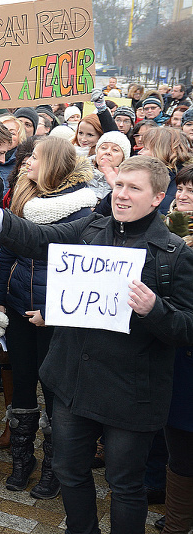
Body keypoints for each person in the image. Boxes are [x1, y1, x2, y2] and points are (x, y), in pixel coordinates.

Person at [0, 156, 193, 534]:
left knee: (124, 485)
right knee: (69, 470)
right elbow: (40, 240)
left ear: (158, 198)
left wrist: (154, 310)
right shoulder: (92, 227)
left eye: (134, 189)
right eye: (119, 185)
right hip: (74, 382)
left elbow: (187, 327)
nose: (122, 195)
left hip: (132, 392)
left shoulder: (174, 255)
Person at [0, 136, 97, 499]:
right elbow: (8, 253)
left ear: (52, 163)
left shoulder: (84, 210)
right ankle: (23, 460)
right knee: (22, 384)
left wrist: (54, 312)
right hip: (20, 308)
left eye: (34, 157)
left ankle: (54, 467)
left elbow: (84, 274)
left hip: (57, 318)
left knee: (54, 392)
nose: (26, 162)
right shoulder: (24, 198)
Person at [162, 165, 193, 533]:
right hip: (177, 360)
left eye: (191, 191)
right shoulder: (167, 232)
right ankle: (177, 522)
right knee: (180, 447)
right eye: (180, 189)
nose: (182, 196)